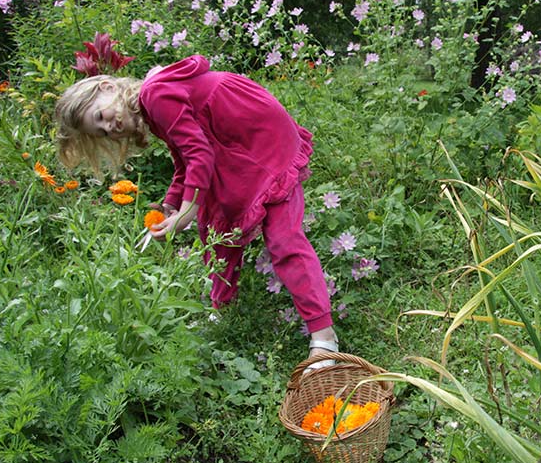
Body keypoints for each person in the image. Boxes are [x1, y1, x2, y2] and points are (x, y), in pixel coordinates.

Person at [54, 55, 338, 368]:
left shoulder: (155, 95)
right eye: (103, 132)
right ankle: (222, 310)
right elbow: (184, 158)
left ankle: (324, 337)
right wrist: (173, 201)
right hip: (233, 146)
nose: (109, 127)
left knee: (284, 240)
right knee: (217, 227)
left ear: (108, 87)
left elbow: (198, 154)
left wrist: (188, 211)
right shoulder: (151, 106)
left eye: (101, 116)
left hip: (262, 143)